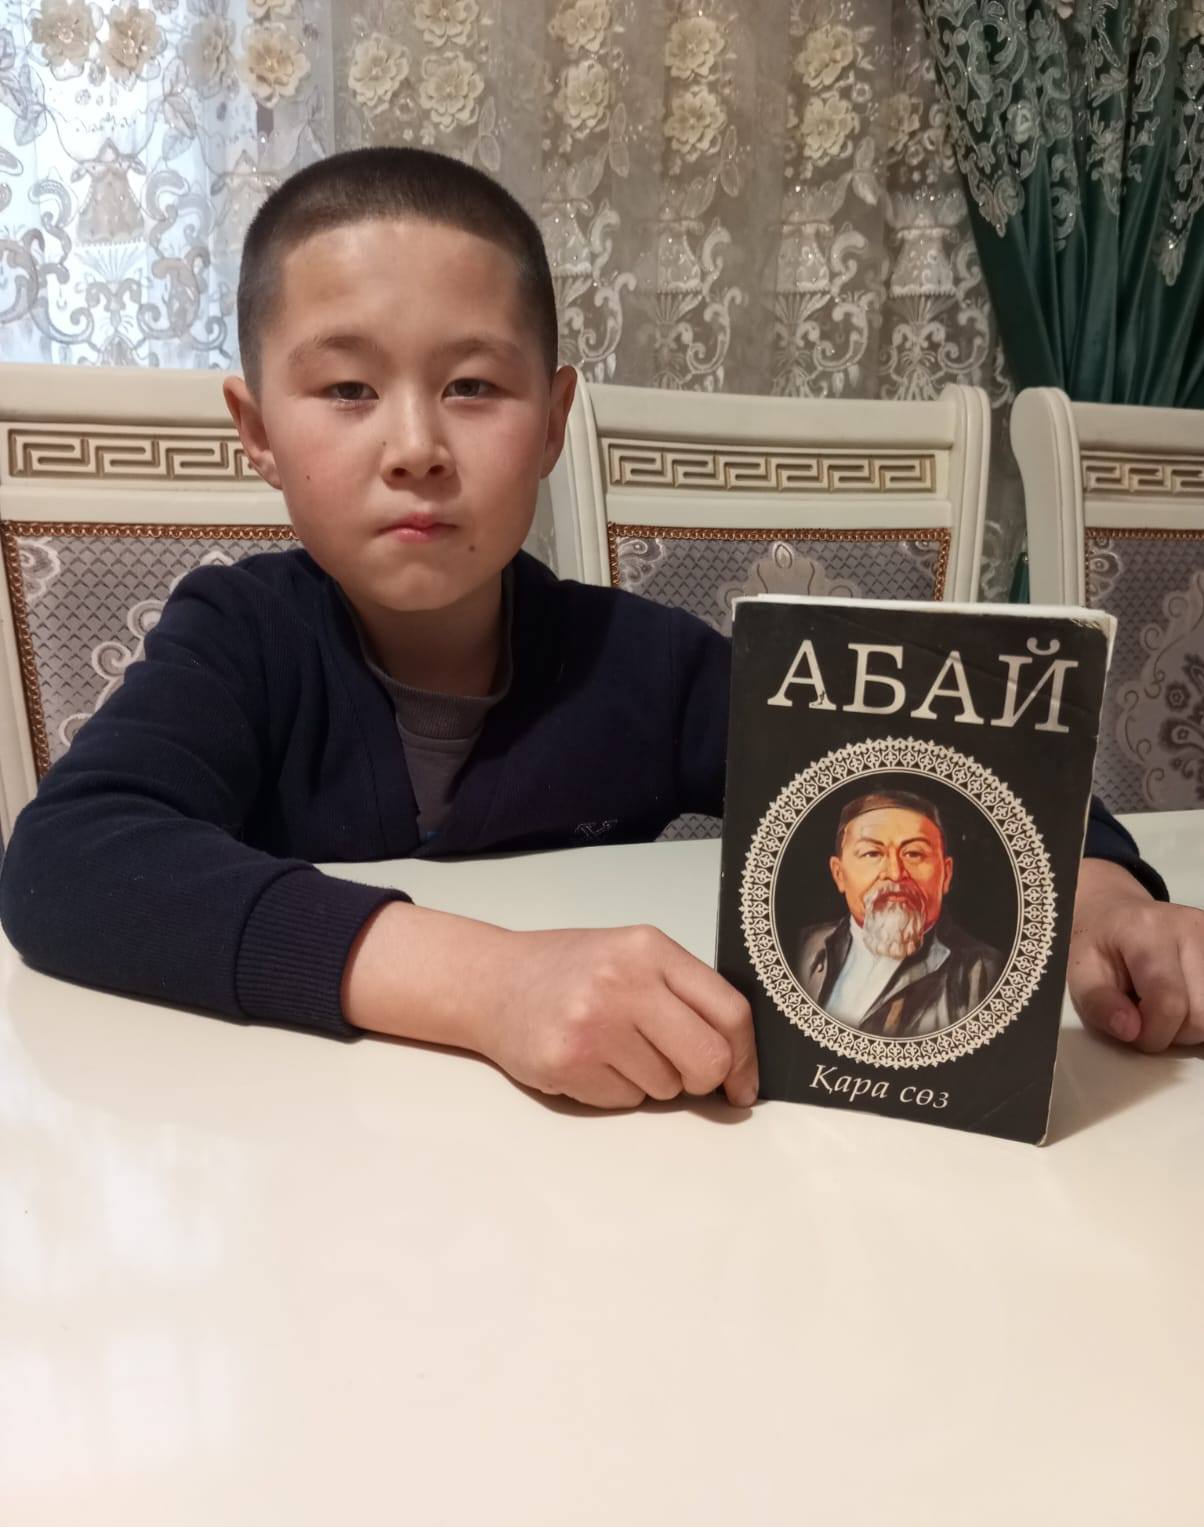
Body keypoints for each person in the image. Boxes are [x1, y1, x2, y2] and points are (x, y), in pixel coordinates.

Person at [1, 149, 1200, 1108]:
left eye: (473, 386)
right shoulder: (239, 636)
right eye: (347, 389)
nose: (415, 446)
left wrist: (1104, 897)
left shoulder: (638, 663)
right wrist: (490, 983)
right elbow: (69, 863)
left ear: (552, 418)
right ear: (257, 429)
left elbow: (940, 758)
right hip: (292, 1159)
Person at [794, 790, 1003, 1036]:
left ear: (946, 875)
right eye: (872, 854)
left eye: (914, 854)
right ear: (839, 874)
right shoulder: (802, 948)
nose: (895, 873)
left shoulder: (985, 975)